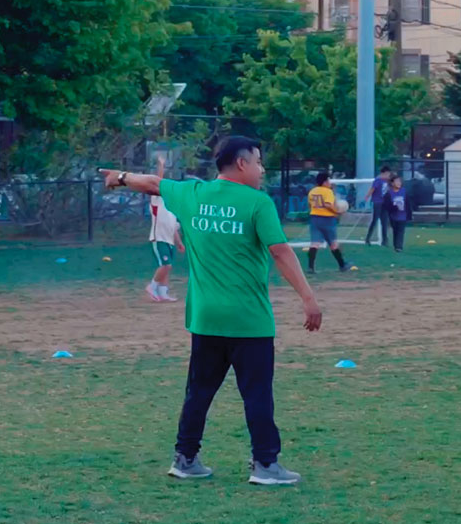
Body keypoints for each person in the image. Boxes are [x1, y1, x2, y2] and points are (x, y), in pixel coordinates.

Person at [100, 136, 322, 486]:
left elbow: (155, 184)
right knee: (258, 394)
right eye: (259, 161)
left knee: (199, 392)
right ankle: (265, 464)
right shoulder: (257, 203)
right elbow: (280, 251)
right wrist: (309, 298)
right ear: (241, 164)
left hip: (206, 319)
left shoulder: (193, 194)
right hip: (248, 320)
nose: (262, 169)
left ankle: (185, 458)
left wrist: (121, 177)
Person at [147, 158, 184, 302]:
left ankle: (163, 293)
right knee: (166, 265)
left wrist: (179, 242)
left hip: (169, 240)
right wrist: (161, 166)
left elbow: (174, 228)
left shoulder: (172, 208)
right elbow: (158, 182)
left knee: (168, 268)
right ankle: (152, 286)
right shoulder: (157, 201)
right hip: (159, 238)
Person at [306, 172, 350, 274]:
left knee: (315, 243)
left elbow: (310, 205)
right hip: (327, 219)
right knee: (333, 244)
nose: (330, 182)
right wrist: (338, 211)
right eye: (328, 180)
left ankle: (310, 267)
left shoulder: (312, 191)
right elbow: (328, 204)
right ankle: (342, 265)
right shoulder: (327, 191)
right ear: (325, 182)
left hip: (315, 218)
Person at [364, 166, 393, 247]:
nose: (388, 176)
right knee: (375, 220)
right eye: (387, 174)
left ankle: (385, 240)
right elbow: (372, 189)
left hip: (385, 203)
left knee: (384, 221)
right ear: (383, 173)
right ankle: (368, 238)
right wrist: (367, 197)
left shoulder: (388, 182)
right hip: (377, 202)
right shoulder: (378, 181)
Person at [384, 174, 411, 251]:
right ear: (392, 183)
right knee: (395, 230)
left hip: (403, 215)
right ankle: (396, 245)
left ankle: (399, 247)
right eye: (396, 182)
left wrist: (409, 214)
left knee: (401, 231)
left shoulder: (404, 191)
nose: (399, 183)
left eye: (399, 181)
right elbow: (387, 205)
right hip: (393, 216)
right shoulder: (389, 194)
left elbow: (408, 203)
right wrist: (395, 207)